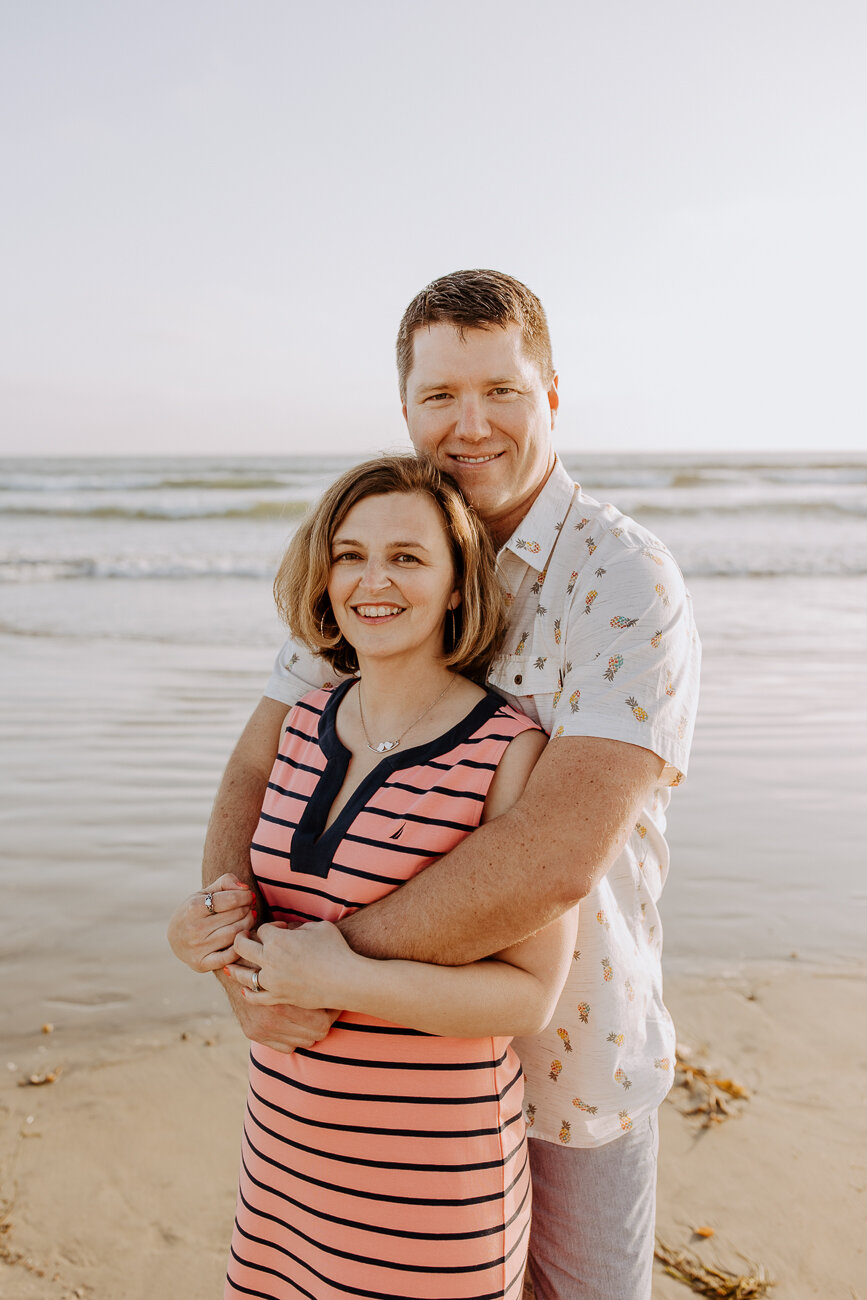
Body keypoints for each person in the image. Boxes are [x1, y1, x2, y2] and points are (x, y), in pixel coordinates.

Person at [169, 270, 701, 1300]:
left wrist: (320, 965)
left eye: (501, 391)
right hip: (369, 1081)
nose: (471, 425)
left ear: (551, 395)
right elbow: (255, 761)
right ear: (406, 407)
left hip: (569, 1058)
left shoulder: (625, 580)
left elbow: (551, 858)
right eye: (439, 397)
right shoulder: (383, 555)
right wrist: (242, 954)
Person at [198, 454, 578, 1299]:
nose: (373, 580)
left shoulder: (505, 753)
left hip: (426, 1201)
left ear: (455, 585)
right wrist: (207, 933)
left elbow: (527, 999)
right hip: (281, 1168)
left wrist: (348, 977)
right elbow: (255, 911)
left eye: (407, 556)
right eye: (349, 554)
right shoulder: (300, 725)